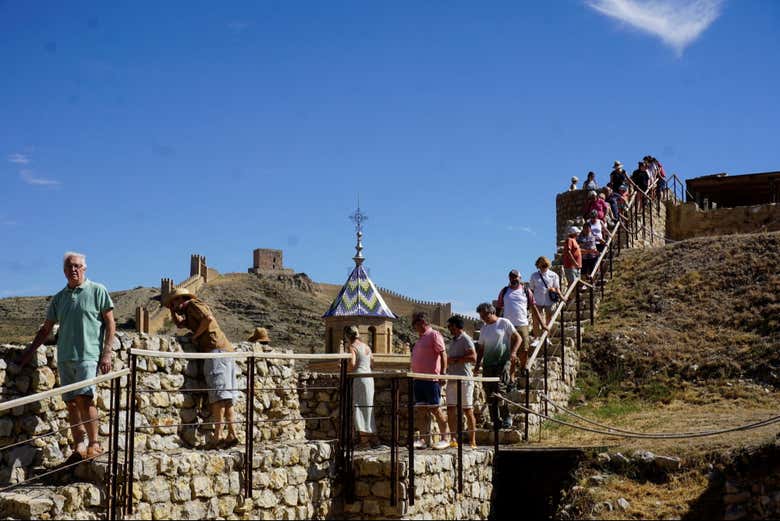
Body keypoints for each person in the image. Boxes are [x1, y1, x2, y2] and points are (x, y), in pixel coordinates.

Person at [18, 252, 115, 460]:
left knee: (85, 398)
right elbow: (45, 330)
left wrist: (107, 353)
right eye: (70, 267)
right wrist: (29, 352)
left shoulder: (98, 290)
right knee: (71, 403)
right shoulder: (59, 298)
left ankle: (94, 444)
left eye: (78, 266)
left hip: (88, 355)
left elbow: (110, 323)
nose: (74, 270)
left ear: (85, 268)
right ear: (64, 271)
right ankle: (79, 446)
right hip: (65, 357)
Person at [164, 287, 238, 449]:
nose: (173, 305)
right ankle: (232, 433)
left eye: (174, 302)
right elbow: (180, 324)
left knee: (218, 395)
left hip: (215, 351)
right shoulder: (188, 312)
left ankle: (217, 437)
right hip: (224, 351)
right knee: (226, 396)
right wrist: (171, 311)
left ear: (181, 299)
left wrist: (196, 337)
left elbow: (208, 319)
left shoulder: (193, 305)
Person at [495, 270, 547, 379]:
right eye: (511, 277)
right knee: (511, 352)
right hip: (508, 326)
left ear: (520, 278)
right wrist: (496, 323)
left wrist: (543, 324)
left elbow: (534, 308)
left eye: (516, 277)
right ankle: (512, 376)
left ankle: (523, 367)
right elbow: (498, 307)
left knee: (524, 350)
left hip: (522, 324)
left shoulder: (526, 291)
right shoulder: (504, 291)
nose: (513, 279)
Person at [474, 303, 519, 430]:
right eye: (481, 316)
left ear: (491, 312)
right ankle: (495, 420)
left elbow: (518, 338)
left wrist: (514, 352)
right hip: (488, 365)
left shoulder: (504, 323)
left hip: (502, 362)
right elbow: (481, 349)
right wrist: (477, 365)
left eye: (485, 315)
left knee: (500, 391)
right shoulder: (484, 329)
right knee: (489, 393)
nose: (483, 318)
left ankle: (506, 417)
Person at [409, 312, 450, 450]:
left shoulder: (434, 335)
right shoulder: (420, 339)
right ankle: (423, 439)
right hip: (418, 379)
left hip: (431, 379)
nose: (413, 326)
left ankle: (446, 438)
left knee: (435, 409)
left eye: (415, 323)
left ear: (422, 322)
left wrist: (443, 374)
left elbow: (442, 353)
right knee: (421, 410)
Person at [444, 316, 477, 449]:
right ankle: (453, 439)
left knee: (467, 410)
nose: (449, 329)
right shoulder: (453, 341)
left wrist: (455, 360)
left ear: (456, 326)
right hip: (452, 378)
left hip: (464, 379)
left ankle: (473, 441)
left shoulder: (466, 339)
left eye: (450, 326)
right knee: (451, 408)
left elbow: (473, 357)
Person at [345, 326, 378, 449]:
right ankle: (373, 438)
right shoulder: (366, 347)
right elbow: (373, 362)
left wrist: (344, 369)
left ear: (348, 336)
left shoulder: (352, 347)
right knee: (369, 407)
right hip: (369, 378)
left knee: (359, 406)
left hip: (359, 378)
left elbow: (352, 364)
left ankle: (364, 442)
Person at [529, 257, 561, 337]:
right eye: (542, 265)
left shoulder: (553, 275)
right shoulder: (534, 276)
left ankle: (547, 337)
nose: (543, 267)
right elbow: (531, 290)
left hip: (549, 300)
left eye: (545, 265)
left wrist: (561, 296)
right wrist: (530, 302)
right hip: (537, 301)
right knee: (536, 320)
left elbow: (557, 288)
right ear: (538, 265)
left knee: (549, 320)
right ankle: (536, 338)